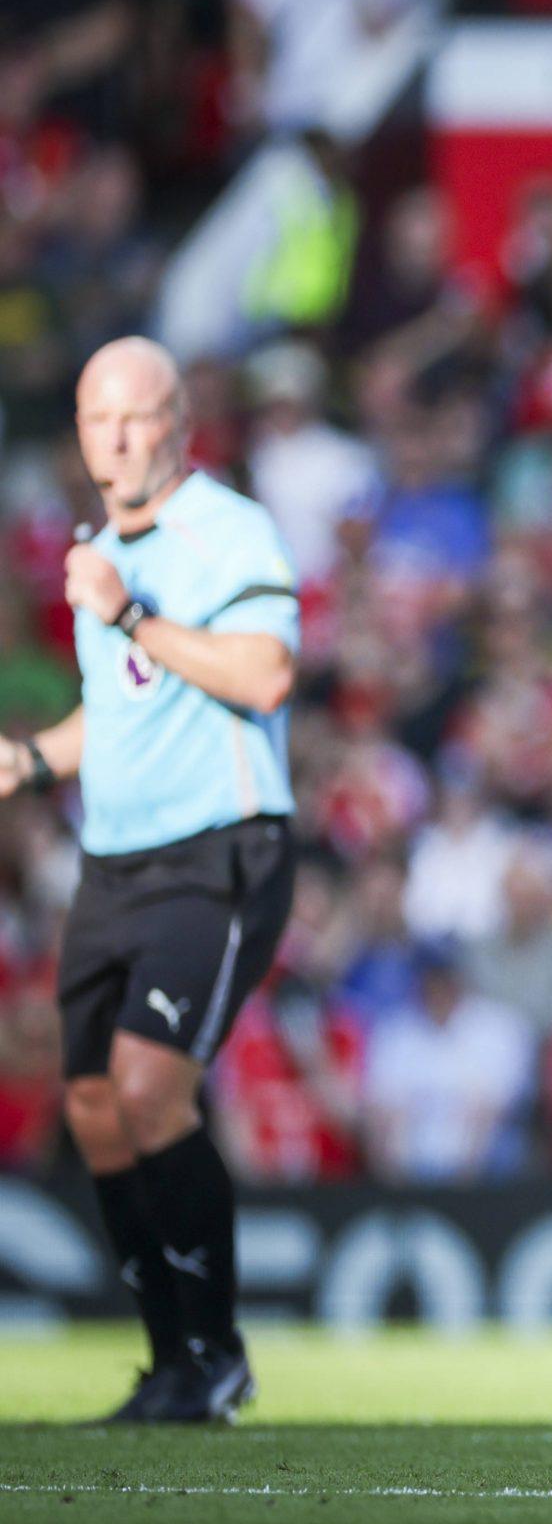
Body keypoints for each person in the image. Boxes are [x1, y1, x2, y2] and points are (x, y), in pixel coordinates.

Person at [1, 337, 300, 1423]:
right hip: (114, 860)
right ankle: (174, 1358)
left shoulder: (227, 533)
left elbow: (264, 675)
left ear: (179, 422)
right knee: (89, 1106)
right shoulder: (98, 548)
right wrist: (34, 758)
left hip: (217, 849)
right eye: (95, 421)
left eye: (133, 419)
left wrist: (129, 610)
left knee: (145, 1087)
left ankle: (217, 1351)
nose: (114, 442)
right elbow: (122, 713)